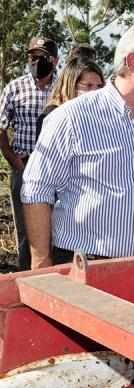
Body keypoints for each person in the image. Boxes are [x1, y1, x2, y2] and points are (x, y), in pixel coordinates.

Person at [21, 20, 134, 268]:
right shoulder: (72, 118)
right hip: (86, 268)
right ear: (133, 62)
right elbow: (37, 190)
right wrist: (41, 264)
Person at [0, 36, 60, 271]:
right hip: (23, 167)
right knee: (26, 231)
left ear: (54, 61)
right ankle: (26, 279)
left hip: (56, 170)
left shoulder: (62, 87)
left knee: (58, 229)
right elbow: (1, 126)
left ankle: (56, 278)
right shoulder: (15, 88)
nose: (35, 61)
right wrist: (10, 157)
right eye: (31, 57)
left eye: (41, 57)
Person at [36, 56, 104, 138]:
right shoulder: (54, 113)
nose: (95, 91)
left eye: (99, 86)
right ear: (71, 85)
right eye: (88, 85)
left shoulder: (97, 113)